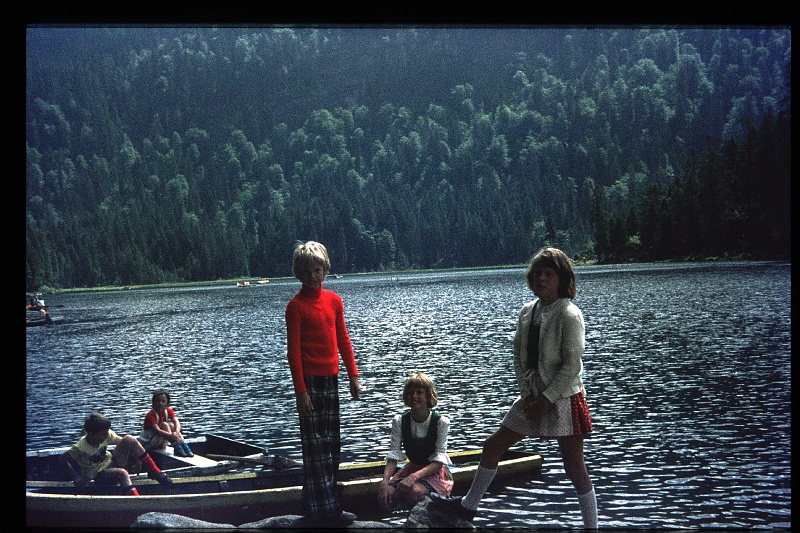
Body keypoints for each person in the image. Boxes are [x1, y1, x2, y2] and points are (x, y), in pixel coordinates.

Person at [431, 247, 597, 528]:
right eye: (537, 274)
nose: (541, 280)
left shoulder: (569, 313)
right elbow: (519, 358)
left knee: (574, 468)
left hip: (563, 398)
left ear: (562, 279)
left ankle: (592, 527)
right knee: (492, 445)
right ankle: (468, 507)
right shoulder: (527, 312)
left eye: (548, 274)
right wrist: (528, 395)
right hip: (532, 397)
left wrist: (546, 399)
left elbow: (572, 366)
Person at [285, 241, 361, 527]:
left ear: (326, 270)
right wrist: (300, 392)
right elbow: (293, 353)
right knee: (314, 449)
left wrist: (353, 375)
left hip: (331, 380)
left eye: (317, 270)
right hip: (310, 384)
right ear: (298, 273)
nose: (312, 276)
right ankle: (326, 512)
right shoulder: (295, 306)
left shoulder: (334, 301)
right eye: (306, 271)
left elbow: (343, 339)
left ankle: (316, 501)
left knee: (331, 445)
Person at [377, 372, 454, 512]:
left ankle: (425, 512)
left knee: (415, 492)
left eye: (419, 392)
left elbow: (438, 463)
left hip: (433, 473)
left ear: (428, 395)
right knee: (387, 494)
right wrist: (384, 482)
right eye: (411, 392)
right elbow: (392, 458)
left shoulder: (440, 422)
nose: (414, 397)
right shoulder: (400, 421)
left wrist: (413, 478)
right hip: (411, 469)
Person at [59, 412, 172, 495]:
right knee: (122, 473)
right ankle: (136, 502)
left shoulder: (106, 434)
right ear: (91, 434)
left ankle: (155, 472)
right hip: (98, 476)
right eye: (103, 434)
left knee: (129, 439)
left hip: (111, 462)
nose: (106, 436)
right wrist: (76, 477)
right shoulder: (80, 447)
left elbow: (128, 444)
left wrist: (138, 460)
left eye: (106, 433)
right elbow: (63, 459)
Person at [138, 388, 193, 457]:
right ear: (153, 402)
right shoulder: (150, 415)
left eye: (163, 401)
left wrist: (176, 433)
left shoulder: (168, 411)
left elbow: (177, 422)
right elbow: (158, 430)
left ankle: (184, 445)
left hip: (160, 441)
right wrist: (173, 437)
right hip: (148, 444)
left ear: (167, 403)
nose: (160, 403)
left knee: (172, 425)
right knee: (165, 425)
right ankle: (177, 446)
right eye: (158, 401)